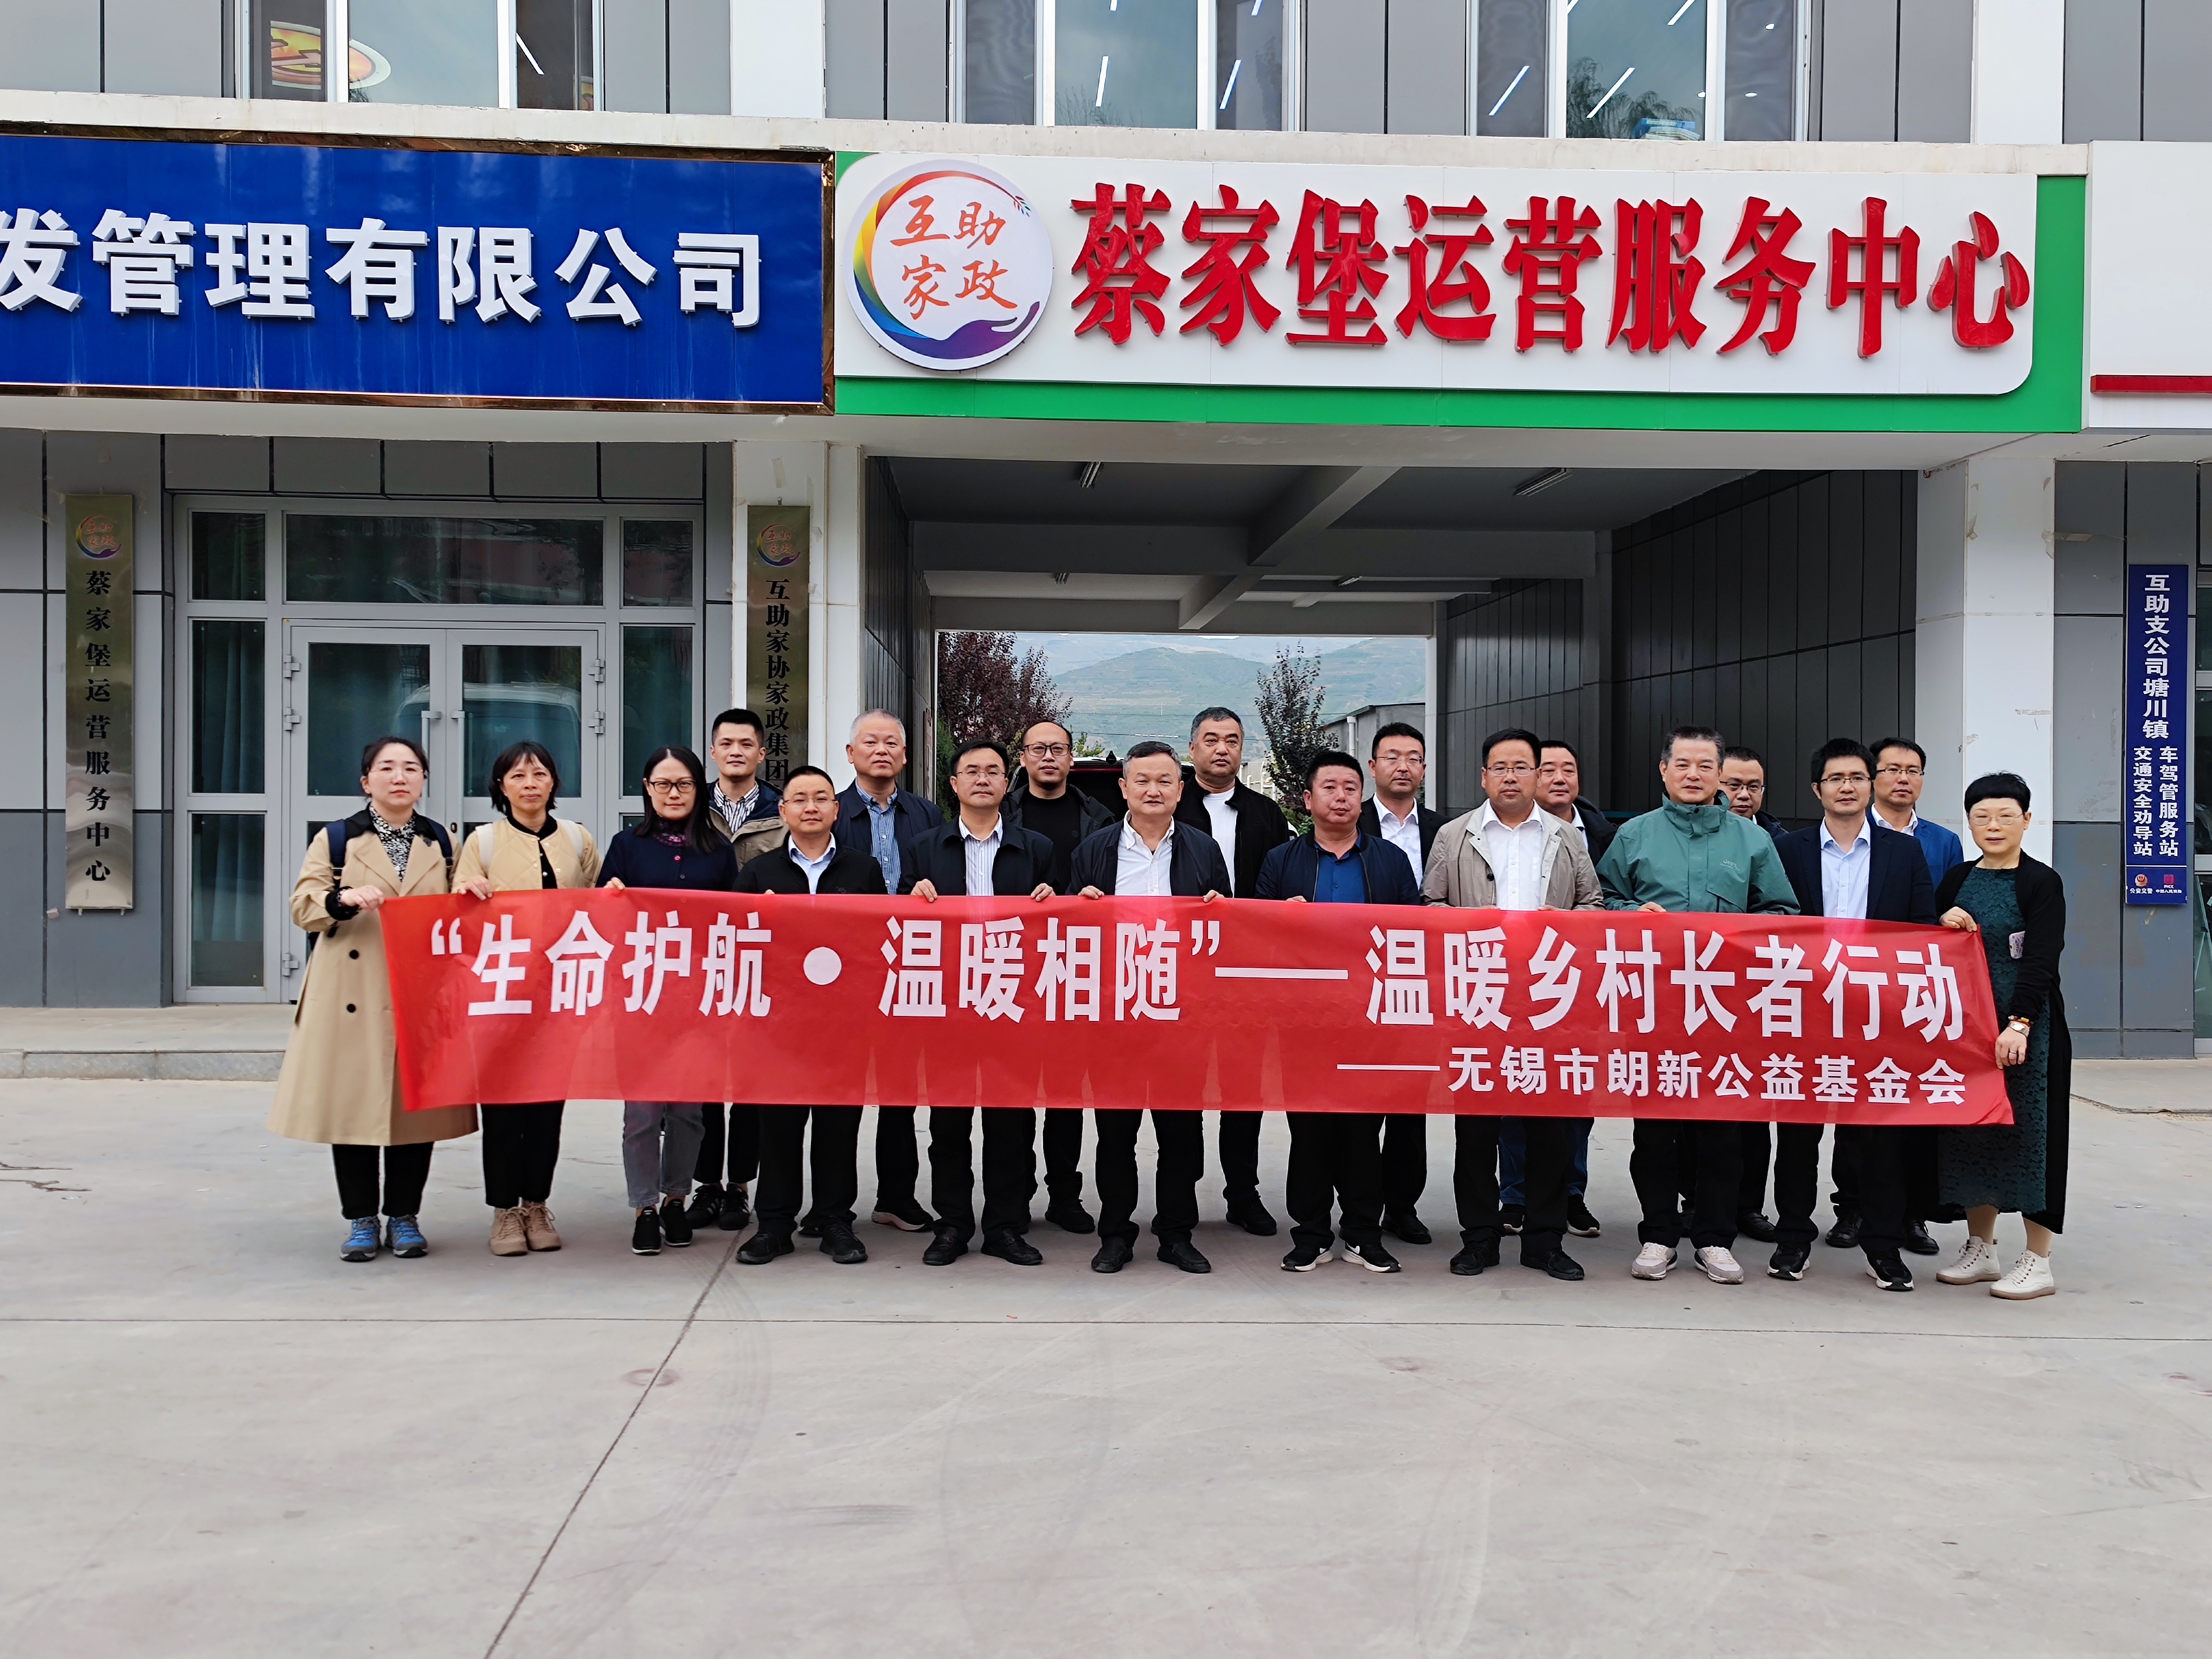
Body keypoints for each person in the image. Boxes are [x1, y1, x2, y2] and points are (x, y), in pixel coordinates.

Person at [1598, 725, 1799, 1286]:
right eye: (1682, 764)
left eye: (1705, 766)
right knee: (1654, 1132)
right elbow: (1601, 902)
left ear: (1720, 776)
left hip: (1726, 1009)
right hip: (1652, 1005)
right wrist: (1630, 915)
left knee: (1722, 1132)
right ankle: (1659, 1235)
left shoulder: (1751, 841)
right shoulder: (1634, 835)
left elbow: (1783, 912)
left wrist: (1740, 932)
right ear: (1663, 771)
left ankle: (1714, 1238)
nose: (1693, 775)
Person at [270, 736, 475, 1262]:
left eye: (411, 768)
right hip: (351, 991)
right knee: (352, 1107)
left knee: (416, 1110)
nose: (399, 777)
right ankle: (361, 1218)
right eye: (386, 768)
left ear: (424, 780)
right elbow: (302, 906)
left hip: (421, 991)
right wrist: (341, 899)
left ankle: (404, 1215)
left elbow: (462, 908)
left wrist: (473, 889)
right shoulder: (336, 839)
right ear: (367, 781)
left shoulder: (442, 841)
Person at [1423, 727, 1603, 1281]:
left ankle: (1545, 1240)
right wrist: (1468, 924)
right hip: (1480, 997)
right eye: (1499, 767)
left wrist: (1566, 923)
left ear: (1538, 775)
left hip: (1549, 998)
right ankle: (1479, 1237)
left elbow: (1594, 905)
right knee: (1477, 1130)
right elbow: (1429, 906)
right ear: (1483, 777)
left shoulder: (1566, 836)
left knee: (1549, 1128)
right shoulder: (1455, 836)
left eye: (1522, 767)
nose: (1510, 776)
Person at [1770, 739, 1940, 1291]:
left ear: (1871, 785)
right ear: (1816, 789)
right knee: (1798, 1135)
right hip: (1802, 1009)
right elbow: (1767, 923)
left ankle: (1883, 1247)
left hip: (1877, 1014)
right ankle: (1794, 1238)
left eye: (1857, 777)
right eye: (1835, 778)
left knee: (1879, 1137)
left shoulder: (1903, 853)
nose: (1847, 787)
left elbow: (1922, 930)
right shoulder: (1788, 849)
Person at [1258, 750, 1423, 1274]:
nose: (1341, 797)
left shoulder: (1390, 861)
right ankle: (1310, 1234)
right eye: (1329, 788)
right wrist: (1282, 921)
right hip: (1303, 1018)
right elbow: (1256, 937)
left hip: (1370, 1016)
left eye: (1351, 788)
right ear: (1308, 800)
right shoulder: (1281, 861)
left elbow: (1414, 934)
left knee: (1361, 1131)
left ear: (1362, 797)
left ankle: (1362, 1233)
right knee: (1309, 1130)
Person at [1069, 741, 1230, 1274]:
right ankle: (1115, 1234)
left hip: (1182, 1015)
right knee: (1115, 1134)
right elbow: (1068, 932)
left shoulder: (1204, 850)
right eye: (1142, 780)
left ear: (1181, 791)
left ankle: (1176, 1234)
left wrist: (1220, 912)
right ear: (1123, 788)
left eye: (1164, 781)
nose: (1153, 790)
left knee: (1181, 1134)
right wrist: (1080, 909)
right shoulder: (1095, 850)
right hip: (1114, 1013)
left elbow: (1225, 933)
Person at [902, 739, 1057, 1268]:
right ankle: (952, 1224)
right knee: (948, 1124)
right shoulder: (925, 848)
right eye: (972, 771)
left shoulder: (1037, 848)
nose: (983, 779)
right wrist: (912, 899)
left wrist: (1052, 901)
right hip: (948, 1004)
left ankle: (1005, 1227)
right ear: (954, 784)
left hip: (1012, 1003)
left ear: (1006, 783)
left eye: (993, 771)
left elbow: (1062, 926)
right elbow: (898, 921)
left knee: (1010, 1125)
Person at [731, 766, 888, 1268]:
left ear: (836, 809)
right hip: (779, 1026)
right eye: (799, 799)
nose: (811, 807)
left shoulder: (864, 870)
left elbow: (877, 943)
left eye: (821, 797)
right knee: (778, 1126)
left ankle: (834, 1220)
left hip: (843, 1024)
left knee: (838, 1126)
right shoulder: (760, 873)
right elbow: (737, 943)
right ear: (783, 811)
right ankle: (775, 1225)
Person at [452, 740, 602, 1257]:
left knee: (546, 1106)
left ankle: (536, 1204)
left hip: (559, 996)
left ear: (554, 782)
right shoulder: (483, 843)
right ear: (501, 786)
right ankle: (504, 1211)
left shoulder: (577, 839)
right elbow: (455, 915)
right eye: (517, 776)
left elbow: (599, 905)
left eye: (539, 774)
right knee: (502, 1108)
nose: (530, 784)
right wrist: (468, 892)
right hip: (500, 996)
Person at [1932, 773, 2072, 1302]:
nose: (1993, 826)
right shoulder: (1957, 878)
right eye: (1982, 817)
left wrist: (2020, 1023)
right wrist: (1940, 918)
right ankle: (1982, 1248)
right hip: (1968, 1031)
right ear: (1968, 823)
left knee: (2033, 1137)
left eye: (2006, 816)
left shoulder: (2041, 882)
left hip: (2028, 1031)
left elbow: (2041, 959)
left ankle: (2038, 1259)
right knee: (1974, 1132)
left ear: (2027, 821)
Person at [599, 744, 739, 1257]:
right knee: (642, 1111)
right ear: (647, 789)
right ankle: (644, 1208)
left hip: (697, 999)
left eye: (683, 784)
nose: (673, 793)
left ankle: (676, 1198)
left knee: (688, 1112)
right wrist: (610, 895)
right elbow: (601, 916)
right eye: (663, 784)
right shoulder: (626, 846)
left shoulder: (718, 850)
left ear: (699, 789)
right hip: (641, 996)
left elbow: (735, 921)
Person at [1175, 706, 1291, 1237]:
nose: (1222, 749)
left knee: (1244, 1090)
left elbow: (1278, 888)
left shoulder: (1266, 814)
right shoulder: (1170, 804)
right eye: (1211, 739)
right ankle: (1181, 1195)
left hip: (1248, 973)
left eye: (1232, 740)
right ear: (1192, 748)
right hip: (1182, 971)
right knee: (1185, 1089)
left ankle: (1243, 1194)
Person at [1003, 717, 1114, 1236]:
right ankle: (1017, 1195)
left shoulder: (1100, 817)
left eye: (1058, 749)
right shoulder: (1004, 812)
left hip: (1077, 967)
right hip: (1011, 967)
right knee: (1018, 1093)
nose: (1048, 757)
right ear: (1023, 758)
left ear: (1072, 757)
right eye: (1038, 749)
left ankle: (1065, 1195)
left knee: (1067, 1093)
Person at [834, 709, 942, 1234]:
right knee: (842, 1093)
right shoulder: (831, 811)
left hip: (910, 965)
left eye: (891, 743)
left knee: (900, 1091)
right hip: (847, 970)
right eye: (870, 742)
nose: (881, 751)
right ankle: (833, 1205)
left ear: (904, 755)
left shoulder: (927, 814)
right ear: (850, 753)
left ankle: (897, 1197)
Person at [1508, 737, 1613, 1238]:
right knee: (1515, 1088)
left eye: (1567, 769)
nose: (1558, 778)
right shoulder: (1495, 831)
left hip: (1580, 985)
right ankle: (1515, 1195)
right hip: (1507, 984)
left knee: (1574, 1094)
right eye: (1546, 768)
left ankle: (1571, 1193)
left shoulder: (1603, 835)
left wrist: (1573, 923)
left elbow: (1605, 903)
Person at [691, 708, 788, 1236]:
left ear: (761, 753)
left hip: (760, 962)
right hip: (701, 963)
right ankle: (706, 1184)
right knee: (706, 1080)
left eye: (745, 744)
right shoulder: (690, 807)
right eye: (726, 743)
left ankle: (739, 1185)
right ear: (713, 751)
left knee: (751, 1082)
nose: (735, 752)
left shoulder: (781, 810)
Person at [1356, 721, 1449, 1245]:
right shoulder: (1349, 821)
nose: (1403, 766)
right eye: (1392, 757)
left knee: (1411, 1104)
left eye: (1413, 758)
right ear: (1373, 767)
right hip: (1362, 980)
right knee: (1362, 1104)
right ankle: (1360, 1206)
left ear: (1424, 769)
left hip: (1424, 980)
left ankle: (1402, 1207)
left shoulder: (1446, 830)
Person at [1716, 743, 1787, 1243]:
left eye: (1753, 786)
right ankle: (1695, 1203)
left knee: (1753, 1105)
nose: (1743, 795)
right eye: (1733, 785)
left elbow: (1786, 911)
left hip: (1758, 995)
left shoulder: (1782, 843)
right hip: (1692, 990)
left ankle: (1749, 1206)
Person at [1872, 737, 1967, 884]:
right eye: (1893, 770)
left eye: (1913, 771)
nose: (1904, 779)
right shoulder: (1854, 835)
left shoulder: (1945, 842)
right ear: (1872, 777)